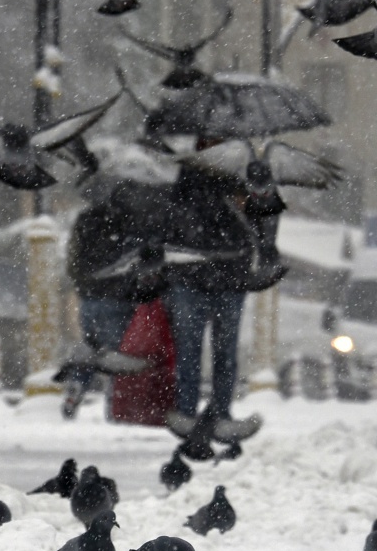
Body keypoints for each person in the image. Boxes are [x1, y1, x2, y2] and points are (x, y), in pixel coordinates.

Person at [159, 152, 267, 442]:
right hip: (198, 277)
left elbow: (257, 221)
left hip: (221, 278)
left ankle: (216, 413)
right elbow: (176, 223)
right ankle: (194, 411)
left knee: (219, 352)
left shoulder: (241, 173)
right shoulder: (191, 176)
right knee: (195, 351)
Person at [59, 180, 167, 418]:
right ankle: (115, 404)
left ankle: (76, 385)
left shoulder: (85, 219)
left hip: (89, 298)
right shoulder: (129, 222)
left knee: (91, 347)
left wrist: (84, 285)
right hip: (117, 298)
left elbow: (73, 259)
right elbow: (136, 261)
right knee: (118, 357)